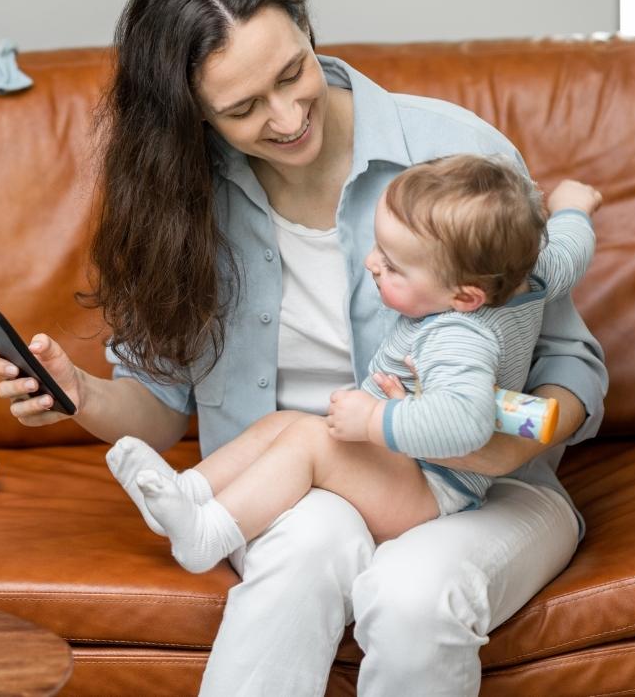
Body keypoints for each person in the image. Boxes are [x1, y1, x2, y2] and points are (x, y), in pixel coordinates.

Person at [0, 0, 607, 696]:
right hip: (301, 490)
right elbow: (157, 409)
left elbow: (571, 359)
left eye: (292, 74)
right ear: (194, 117)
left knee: (412, 599)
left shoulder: (454, 159)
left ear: (308, 31)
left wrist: (510, 441)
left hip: (486, 486)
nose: (286, 117)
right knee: (303, 549)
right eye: (243, 109)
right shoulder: (184, 204)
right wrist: (79, 392)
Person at [107, 155, 601, 575]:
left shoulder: (459, 336)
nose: (371, 263)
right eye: (378, 247)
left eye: (392, 265)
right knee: (283, 423)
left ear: (465, 296)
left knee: (307, 439)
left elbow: (466, 423)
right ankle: (185, 493)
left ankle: (208, 534)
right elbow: (571, 248)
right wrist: (574, 206)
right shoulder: (536, 272)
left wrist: (373, 420)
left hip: (430, 487)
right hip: (408, 466)